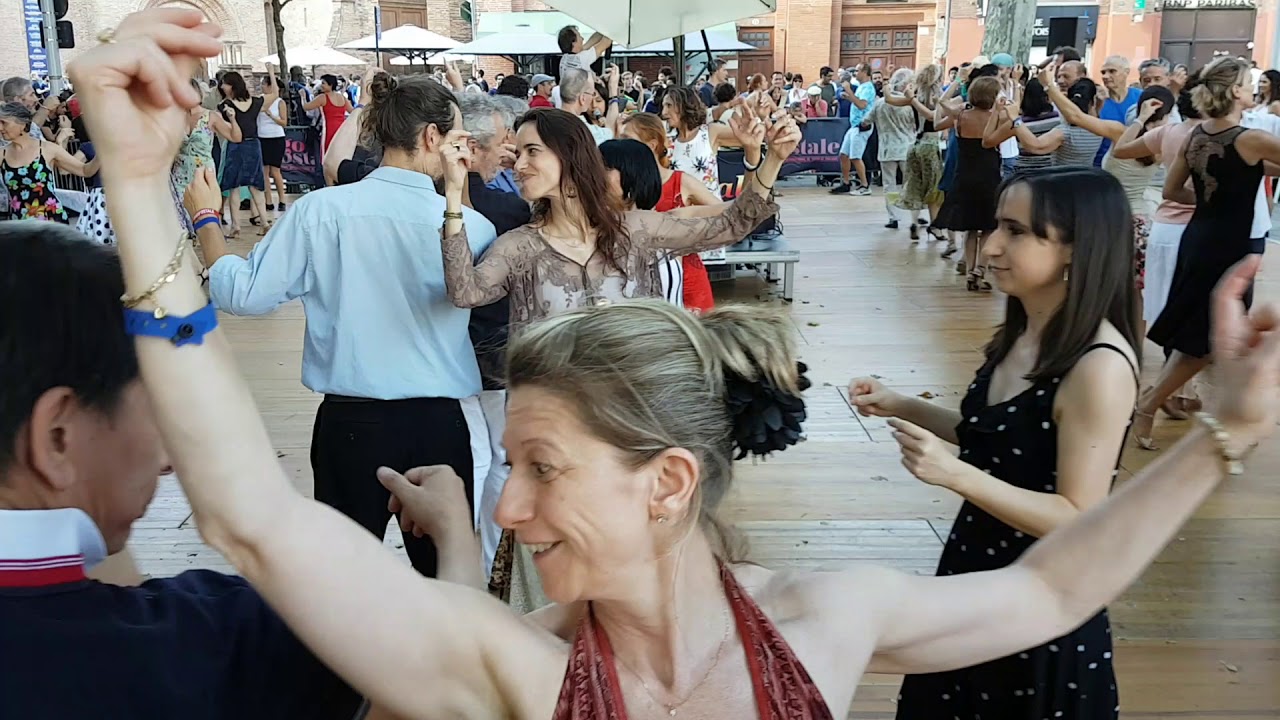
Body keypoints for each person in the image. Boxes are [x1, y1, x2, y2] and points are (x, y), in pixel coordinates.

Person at [77, 11, 1280, 720]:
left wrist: (1226, 436)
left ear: (666, 480)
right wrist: (136, 184)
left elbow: (1057, 593)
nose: (509, 498)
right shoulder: (513, 666)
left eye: (541, 465)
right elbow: (244, 520)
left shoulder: (823, 618)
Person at [0, 220, 361, 719]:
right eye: (158, 409)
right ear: (58, 437)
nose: (170, 461)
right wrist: (455, 554)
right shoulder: (195, 648)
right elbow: (446, 679)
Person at [198, 71, 499, 579]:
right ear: (431, 137)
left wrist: (208, 220)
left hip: (351, 424)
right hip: (438, 425)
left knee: (342, 585)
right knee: (448, 582)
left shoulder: (322, 211)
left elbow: (246, 294)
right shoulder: (473, 226)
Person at [866, 165, 1140, 719]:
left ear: (1074, 248)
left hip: (1041, 602)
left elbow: (1080, 517)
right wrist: (900, 403)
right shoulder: (1025, 332)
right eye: (997, 226)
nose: (990, 246)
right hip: (976, 573)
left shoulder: (1098, 367)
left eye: (1016, 231)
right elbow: (996, 438)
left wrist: (956, 474)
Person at [1135, 57, 1280, 448]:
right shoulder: (1249, 138)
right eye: (1249, 82)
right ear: (1234, 91)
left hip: (1199, 238)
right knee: (1214, 336)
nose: (1254, 88)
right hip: (1228, 249)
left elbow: (1172, 192)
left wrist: (1213, 202)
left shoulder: (1199, 135)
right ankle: (1154, 403)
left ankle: (1162, 405)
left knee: (1203, 336)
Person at [0, 102, 97, 222]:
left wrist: (102, 156)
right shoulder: (2, 154)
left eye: (4, 122)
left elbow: (84, 170)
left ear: (22, 123)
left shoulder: (47, 149)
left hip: (51, 219)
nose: (0, 128)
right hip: (20, 225)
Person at [830, 64, 876, 195]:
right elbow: (857, 101)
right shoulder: (862, 87)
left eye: (857, 70)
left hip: (862, 126)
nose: (855, 73)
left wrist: (849, 92)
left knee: (856, 156)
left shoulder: (868, 87)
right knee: (844, 155)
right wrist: (849, 97)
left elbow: (862, 105)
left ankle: (865, 186)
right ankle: (846, 182)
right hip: (854, 125)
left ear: (865, 72)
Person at [554, 24, 612, 108]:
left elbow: (590, 43)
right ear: (573, 42)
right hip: (582, 103)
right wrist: (613, 27)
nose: (583, 39)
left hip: (572, 102)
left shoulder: (566, 58)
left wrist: (603, 28)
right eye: (580, 36)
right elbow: (606, 42)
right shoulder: (581, 58)